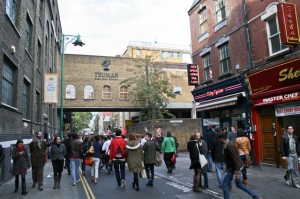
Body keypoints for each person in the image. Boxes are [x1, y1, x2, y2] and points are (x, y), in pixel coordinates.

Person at [217, 131, 262, 199]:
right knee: (239, 184)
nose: (217, 140)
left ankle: (256, 196)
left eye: (218, 139)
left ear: (221, 139)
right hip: (233, 167)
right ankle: (256, 196)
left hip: (234, 168)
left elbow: (236, 158)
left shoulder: (229, 146)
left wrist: (237, 172)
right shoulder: (227, 144)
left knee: (224, 184)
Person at [280, 124, 300, 188]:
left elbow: (298, 146)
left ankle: (295, 183)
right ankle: (287, 176)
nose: (290, 129)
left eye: (291, 128)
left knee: (295, 169)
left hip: (295, 154)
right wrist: (283, 155)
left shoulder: (296, 137)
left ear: (293, 130)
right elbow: (281, 147)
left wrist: (299, 154)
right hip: (288, 155)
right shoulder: (284, 137)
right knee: (290, 168)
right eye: (289, 128)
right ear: (287, 130)